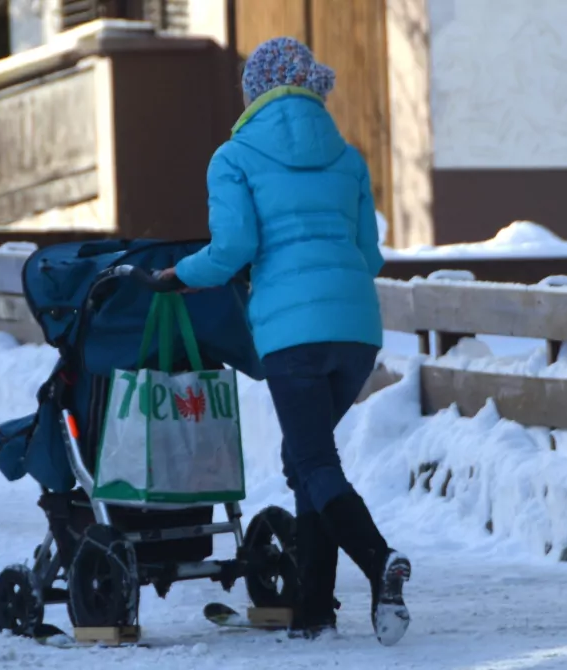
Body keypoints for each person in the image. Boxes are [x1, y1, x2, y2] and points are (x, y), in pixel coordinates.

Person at [157, 36, 411, 647]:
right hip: (355, 335)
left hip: (292, 338)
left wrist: (178, 277)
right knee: (306, 463)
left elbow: (234, 250)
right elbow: (370, 255)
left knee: (315, 462)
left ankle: (381, 563)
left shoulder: (234, 156)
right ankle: (313, 610)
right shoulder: (347, 158)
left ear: (253, 92)